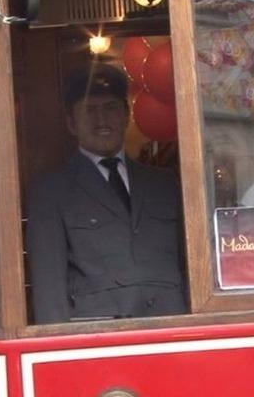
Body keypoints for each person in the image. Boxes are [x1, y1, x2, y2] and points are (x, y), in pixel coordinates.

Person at [26, 63, 187, 324]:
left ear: (126, 116)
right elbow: (49, 286)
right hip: (100, 338)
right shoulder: (51, 191)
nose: (101, 120)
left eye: (111, 108)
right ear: (71, 123)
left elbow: (189, 267)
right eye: (90, 110)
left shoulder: (163, 183)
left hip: (173, 330)